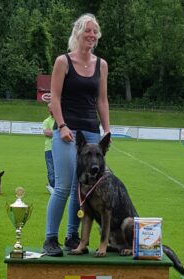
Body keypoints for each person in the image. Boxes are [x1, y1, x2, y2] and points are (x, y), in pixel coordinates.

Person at [42, 13, 110, 256]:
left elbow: (102, 100)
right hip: (67, 132)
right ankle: (50, 239)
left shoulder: (101, 65)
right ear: (78, 33)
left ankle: (73, 236)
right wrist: (61, 126)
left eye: (95, 32)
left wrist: (107, 129)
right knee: (62, 186)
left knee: (81, 188)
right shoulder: (63, 62)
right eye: (87, 31)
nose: (91, 35)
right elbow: (56, 97)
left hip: (92, 133)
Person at [42, 103, 55, 194]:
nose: (51, 110)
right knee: (51, 170)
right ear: (48, 110)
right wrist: (58, 133)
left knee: (59, 170)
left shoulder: (61, 121)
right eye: (50, 109)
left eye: (53, 108)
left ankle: (57, 188)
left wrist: (52, 132)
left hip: (59, 149)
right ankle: (52, 187)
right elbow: (46, 133)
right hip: (49, 149)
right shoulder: (46, 121)